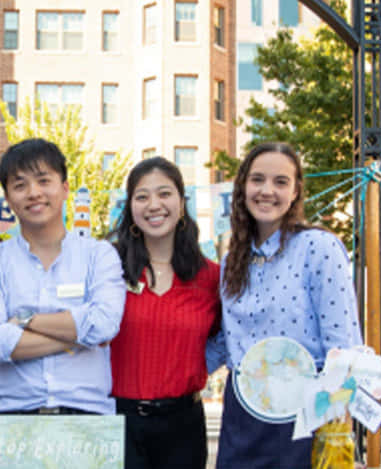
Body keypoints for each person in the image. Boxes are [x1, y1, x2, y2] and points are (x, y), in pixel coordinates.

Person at [206, 142, 363, 468]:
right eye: (257, 180)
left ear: (295, 191)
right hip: (243, 414)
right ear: (242, 188)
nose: (267, 191)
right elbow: (224, 343)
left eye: (280, 182)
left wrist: (338, 419)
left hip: (305, 411)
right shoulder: (232, 261)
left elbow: (343, 343)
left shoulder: (319, 248)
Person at [0, 138, 125, 416]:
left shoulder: (99, 255)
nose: (33, 193)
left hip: (87, 419)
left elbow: (103, 324)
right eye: (20, 185)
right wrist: (78, 336)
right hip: (15, 418)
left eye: (43, 181)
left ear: (64, 189)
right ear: (8, 199)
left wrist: (25, 321)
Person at [108, 157, 220, 469]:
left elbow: (228, 336)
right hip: (118, 423)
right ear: (130, 207)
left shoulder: (211, 277)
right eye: (142, 196)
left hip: (183, 426)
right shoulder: (107, 269)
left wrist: (191, 367)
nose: (154, 205)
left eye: (164, 194)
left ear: (182, 204)